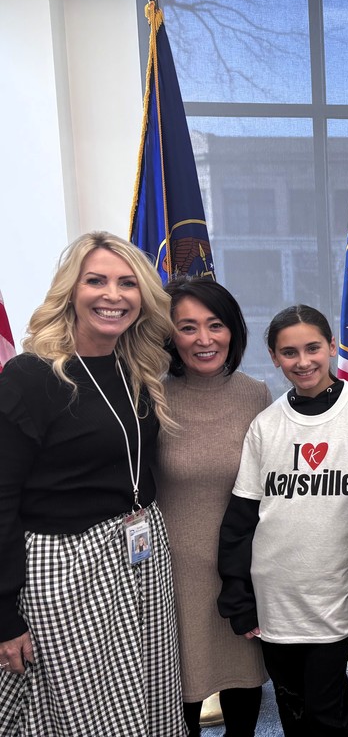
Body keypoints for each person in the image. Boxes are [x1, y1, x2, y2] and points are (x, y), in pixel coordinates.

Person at [0, 231, 185, 735]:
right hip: (64, 564)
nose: (113, 295)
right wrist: (4, 616)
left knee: (146, 695)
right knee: (84, 715)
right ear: (71, 291)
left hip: (139, 557)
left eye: (128, 283)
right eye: (96, 281)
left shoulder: (138, 367)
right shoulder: (30, 376)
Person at [218, 304, 348, 736]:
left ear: (333, 346)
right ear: (275, 357)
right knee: (292, 709)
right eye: (289, 352)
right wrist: (238, 596)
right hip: (274, 597)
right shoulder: (266, 425)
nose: (303, 361)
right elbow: (242, 519)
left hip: (332, 595)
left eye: (313, 348)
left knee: (327, 710)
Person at [158, 277, 270, 736]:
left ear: (233, 331)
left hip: (239, 572)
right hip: (171, 574)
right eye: (188, 328)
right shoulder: (151, 395)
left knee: (243, 689)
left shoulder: (257, 395)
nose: (204, 339)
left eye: (215, 325)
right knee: (177, 697)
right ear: (170, 336)